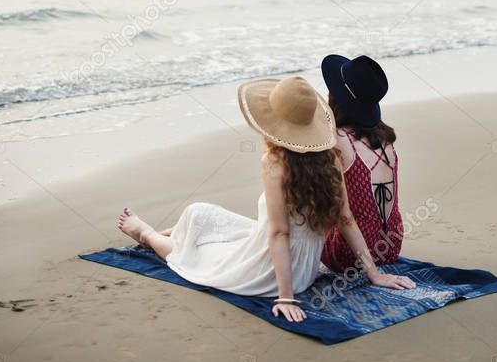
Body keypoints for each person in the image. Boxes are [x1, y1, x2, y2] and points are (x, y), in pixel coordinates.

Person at [117, 74, 413, 323]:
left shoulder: (275, 163)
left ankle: (147, 234)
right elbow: (346, 219)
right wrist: (373, 273)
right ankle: (179, 231)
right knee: (204, 219)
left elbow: (279, 232)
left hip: (273, 273)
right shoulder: (330, 157)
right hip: (305, 270)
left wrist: (286, 296)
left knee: (194, 240)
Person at [320, 54, 403, 272]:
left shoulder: (337, 139)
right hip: (392, 246)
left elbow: (344, 217)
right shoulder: (386, 137)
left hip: (349, 255)